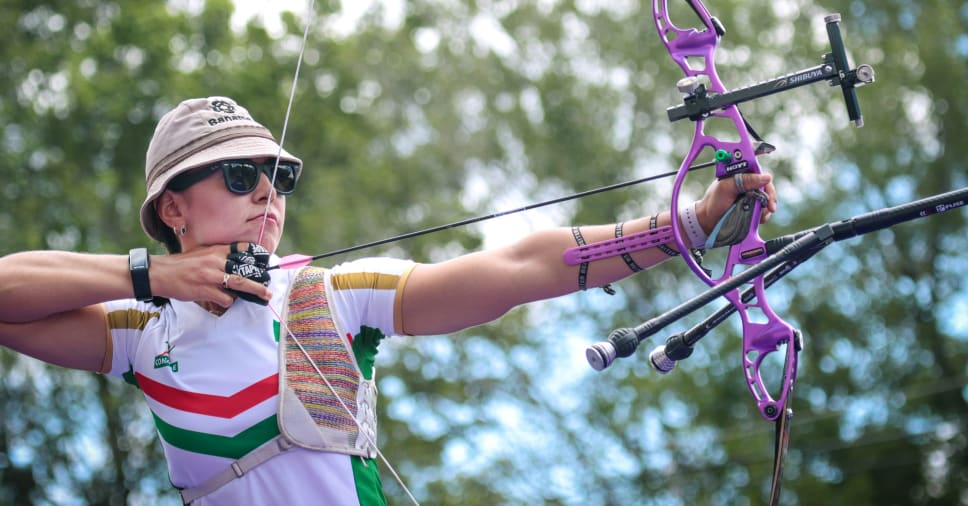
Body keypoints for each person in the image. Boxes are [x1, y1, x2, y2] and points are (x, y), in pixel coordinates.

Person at [0, 96, 776, 505]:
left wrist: (689, 225)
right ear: (173, 209)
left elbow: (515, 269)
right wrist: (151, 278)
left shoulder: (325, 296)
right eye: (238, 177)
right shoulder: (141, 332)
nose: (267, 193)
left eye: (278, 178)